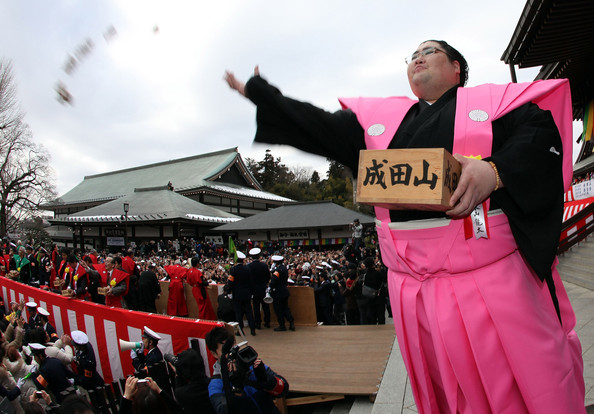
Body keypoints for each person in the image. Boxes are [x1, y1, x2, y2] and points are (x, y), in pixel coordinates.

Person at [224, 40, 585, 413]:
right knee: (446, 390)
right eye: (412, 56)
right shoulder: (381, 124)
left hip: (489, 278)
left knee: (517, 382)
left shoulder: (496, 105)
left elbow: (538, 138)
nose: (418, 59)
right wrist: (262, 94)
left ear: (457, 68)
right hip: (413, 289)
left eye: (429, 52)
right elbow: (318, 126)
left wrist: (494, 171)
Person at [205, 326, 288, 414]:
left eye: (232, 347)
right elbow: (224, 410)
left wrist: (266, 380)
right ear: (214, 353)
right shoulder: (216, 385)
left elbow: (284, 389)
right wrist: (237, 390)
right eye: (225, 351)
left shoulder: (250, 365)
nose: (231, 354)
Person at [227, 251, 256, 336]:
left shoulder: (233, 270)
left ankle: (240, 331)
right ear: (243, 260)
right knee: (249, 313)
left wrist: (229, 292)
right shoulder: (248, 269)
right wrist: (251, 292)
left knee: (238, 313)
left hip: (237, 294)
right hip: (247, 294)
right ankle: (252, 329)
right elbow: (251, 282)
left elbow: (230, 282)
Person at [268, 255, 295, 332]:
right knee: (286, 308)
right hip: (285, 291)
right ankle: (291, 321)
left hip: (278, 292)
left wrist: (270, 286)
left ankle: (282, 325)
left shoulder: (278, 270)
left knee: (278, 309)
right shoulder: (284, 268)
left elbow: (273, 280)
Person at [247, 248, 271, 329]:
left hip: (254, 290)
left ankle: (258, 324)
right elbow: (268, 277)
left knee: (256, 308)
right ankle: (267, 322)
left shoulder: (249, 266)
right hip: (263, 289)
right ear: (259, 256)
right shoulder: (264, 265)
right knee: (266, 307)